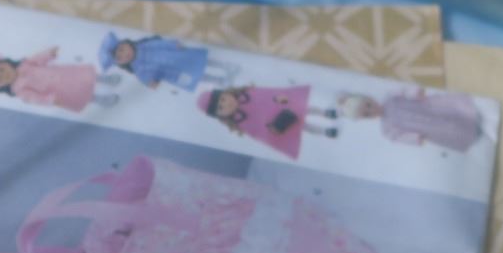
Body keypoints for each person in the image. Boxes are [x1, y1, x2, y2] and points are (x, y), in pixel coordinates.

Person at [197, 86, 337, 159]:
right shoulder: (241, 121)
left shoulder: (248, 94)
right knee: (303, 127)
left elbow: (266, 95)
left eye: (223, 99)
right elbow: (258, 131)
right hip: (280, 120)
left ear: (226, 93)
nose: (227, 104)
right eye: (221, 108)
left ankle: (324, 113)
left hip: (283, 105)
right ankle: (324, 131)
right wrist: (273, 129)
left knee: (305, 109)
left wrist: (277, 98)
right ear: (221, 116)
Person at [337, 89, 484, 152]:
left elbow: (405, 91)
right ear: (366, 119)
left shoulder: (390, 97)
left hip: (427, 106)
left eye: (368, 105)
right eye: (367, 114)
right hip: (425, 128)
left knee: (449, 110)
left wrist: (415, 93)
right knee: (449, 130)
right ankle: (473, 134)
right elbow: (398, 137)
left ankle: (473, 114)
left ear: (370, 99)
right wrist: (415, 138)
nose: (372, 110)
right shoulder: (386, 129)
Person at [0, 49, 118, 113]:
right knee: (80, 94)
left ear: (5, 63)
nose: (5, 75)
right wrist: (50, 100)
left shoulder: (24, 64)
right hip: (58, 90)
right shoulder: (20, 91)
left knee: (83, 76)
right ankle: (100, 99)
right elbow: (36, 99)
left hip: (63, 74)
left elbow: (37, 59)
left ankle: (104, 79)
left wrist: (48, 54)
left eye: (2, 69)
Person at [100, 32, 232, 93]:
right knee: (197, 75)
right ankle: (219, 80)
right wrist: (150, 83)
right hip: (173, 72)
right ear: (121, 64)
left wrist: (173, 45)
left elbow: (158, 44)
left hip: (177, 56)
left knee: (200, 60)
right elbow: (146, 78)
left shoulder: (144, 45)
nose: (124, 54)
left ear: (126, 43)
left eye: (122, 50)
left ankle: (225, 66)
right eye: (120, 57)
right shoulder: (138, 69)